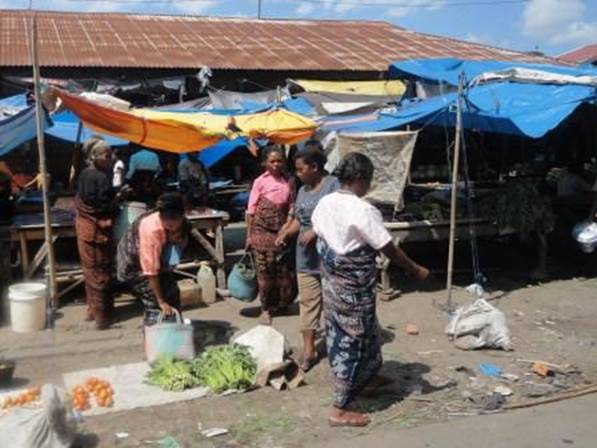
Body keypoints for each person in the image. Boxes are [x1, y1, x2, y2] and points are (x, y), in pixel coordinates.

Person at [311, 153, 429, 427]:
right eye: (369, 180)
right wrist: (414, 269)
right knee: (351, 339)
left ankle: (368, 377)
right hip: (351, 287)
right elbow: (386, 246)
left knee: (366, 332)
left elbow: (320, 234)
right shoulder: (363, 210)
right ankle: (339, 408)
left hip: (333, 285)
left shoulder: (325, 202)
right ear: (360, 179)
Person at [276, 141, 339, 371]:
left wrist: (316, 230)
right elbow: (298, 220)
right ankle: (309, 350)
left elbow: (339, 218)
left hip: (330, 259)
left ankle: (340, 347)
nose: (297, 173)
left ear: (314, 166)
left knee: (334, 304)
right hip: (305, 258)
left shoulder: (333, 186)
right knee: (308, 304)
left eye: (301, 169)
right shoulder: (302, 190)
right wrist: (285, 232)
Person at [117, 192, 189, 326]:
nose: (170, 223)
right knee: (155, 303)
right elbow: (150, 271)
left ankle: (176, 334)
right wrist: (161, 301)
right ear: (160, 215)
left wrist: (174, 242)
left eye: (175, 219)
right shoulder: (151, 230)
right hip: (133, 265)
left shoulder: (184, 224)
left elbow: (181, 243)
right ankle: (154, 337)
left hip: (159, 260)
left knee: (173, 293)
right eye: (166, 219)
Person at [246, 146, 296, 325]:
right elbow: (251, 211)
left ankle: (282, 303)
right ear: (265, 163)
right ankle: (265, 309)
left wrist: (287, 225)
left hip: (282, 232)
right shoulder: (260, 181)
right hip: (261, 232)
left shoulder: (288, 180)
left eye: (279, 161)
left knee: (283, 271)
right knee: (264, 273)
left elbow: (292, 206)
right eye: (272, 161)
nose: (276, 164)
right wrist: (249, 235)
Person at [75, 137, 116, 329]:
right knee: (100, 273)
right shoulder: (99, 177)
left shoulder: (85, 174)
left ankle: (93, 310)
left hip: (85, 229)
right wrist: (118, 199)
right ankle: (102, 317)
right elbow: (102, 204)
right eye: (107, 156)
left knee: (91, 271)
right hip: (96, 231)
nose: (111, 159)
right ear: (96, 157)